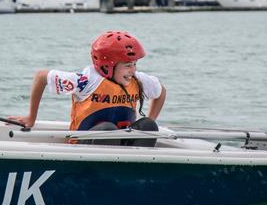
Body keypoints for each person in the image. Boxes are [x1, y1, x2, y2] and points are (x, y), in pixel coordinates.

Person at [8, 31, 166, 145]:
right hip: (86, 145)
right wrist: (31, 117)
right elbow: (41, 77)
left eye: (134, 64)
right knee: (107, 130)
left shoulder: (137, 80)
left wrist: (151, 118)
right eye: (127, 65)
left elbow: (161, 91)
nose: (132, 70)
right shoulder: (85, 80)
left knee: (148, 125)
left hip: (120, 144)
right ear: (107, 65)